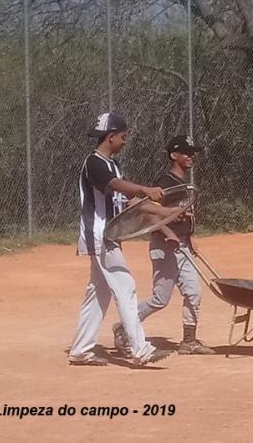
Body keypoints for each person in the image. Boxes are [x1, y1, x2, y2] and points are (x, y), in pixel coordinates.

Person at [68, 112, 175, 366]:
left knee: (98, 293)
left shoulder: (113, 165)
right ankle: (141, 349)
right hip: (100, 235)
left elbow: (132, 202)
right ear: (111, 136)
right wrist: (144, 188)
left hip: (109, 236)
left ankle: (81, 350)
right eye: (124, 137)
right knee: (125, 287)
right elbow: (118, 186)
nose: (126, 141)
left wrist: (167, 212)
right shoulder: (94, 163)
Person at [113, 135, 215, 355]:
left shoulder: (184, 183)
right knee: (160, 299)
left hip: (182, 246)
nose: (191, 157)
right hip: (164, 245)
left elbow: (184, 217)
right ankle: (124, 326)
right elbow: (147, 214)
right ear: (173, 156)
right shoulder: (165, 183)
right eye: (186, 153)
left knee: (194, 292)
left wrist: (190, 239)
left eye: (193, 153)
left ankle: (189, 341)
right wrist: (168, 232)